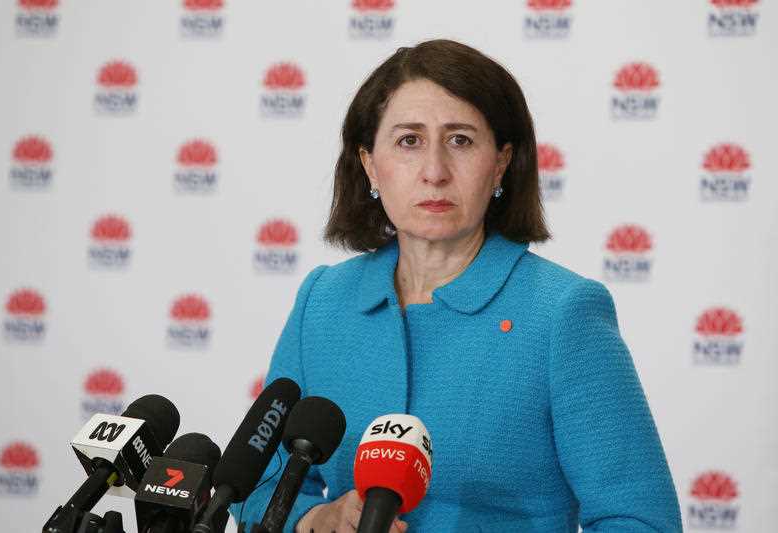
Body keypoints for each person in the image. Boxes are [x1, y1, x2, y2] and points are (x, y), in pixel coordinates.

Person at [231, 39, 682, 532]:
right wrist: (318, 518)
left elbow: (640, 521)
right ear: (368, 163)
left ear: (501, 163)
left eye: (461, 140)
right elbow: (255, 484)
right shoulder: (323, 302)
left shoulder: (562, 314)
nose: (435, 172)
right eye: (409, 141)